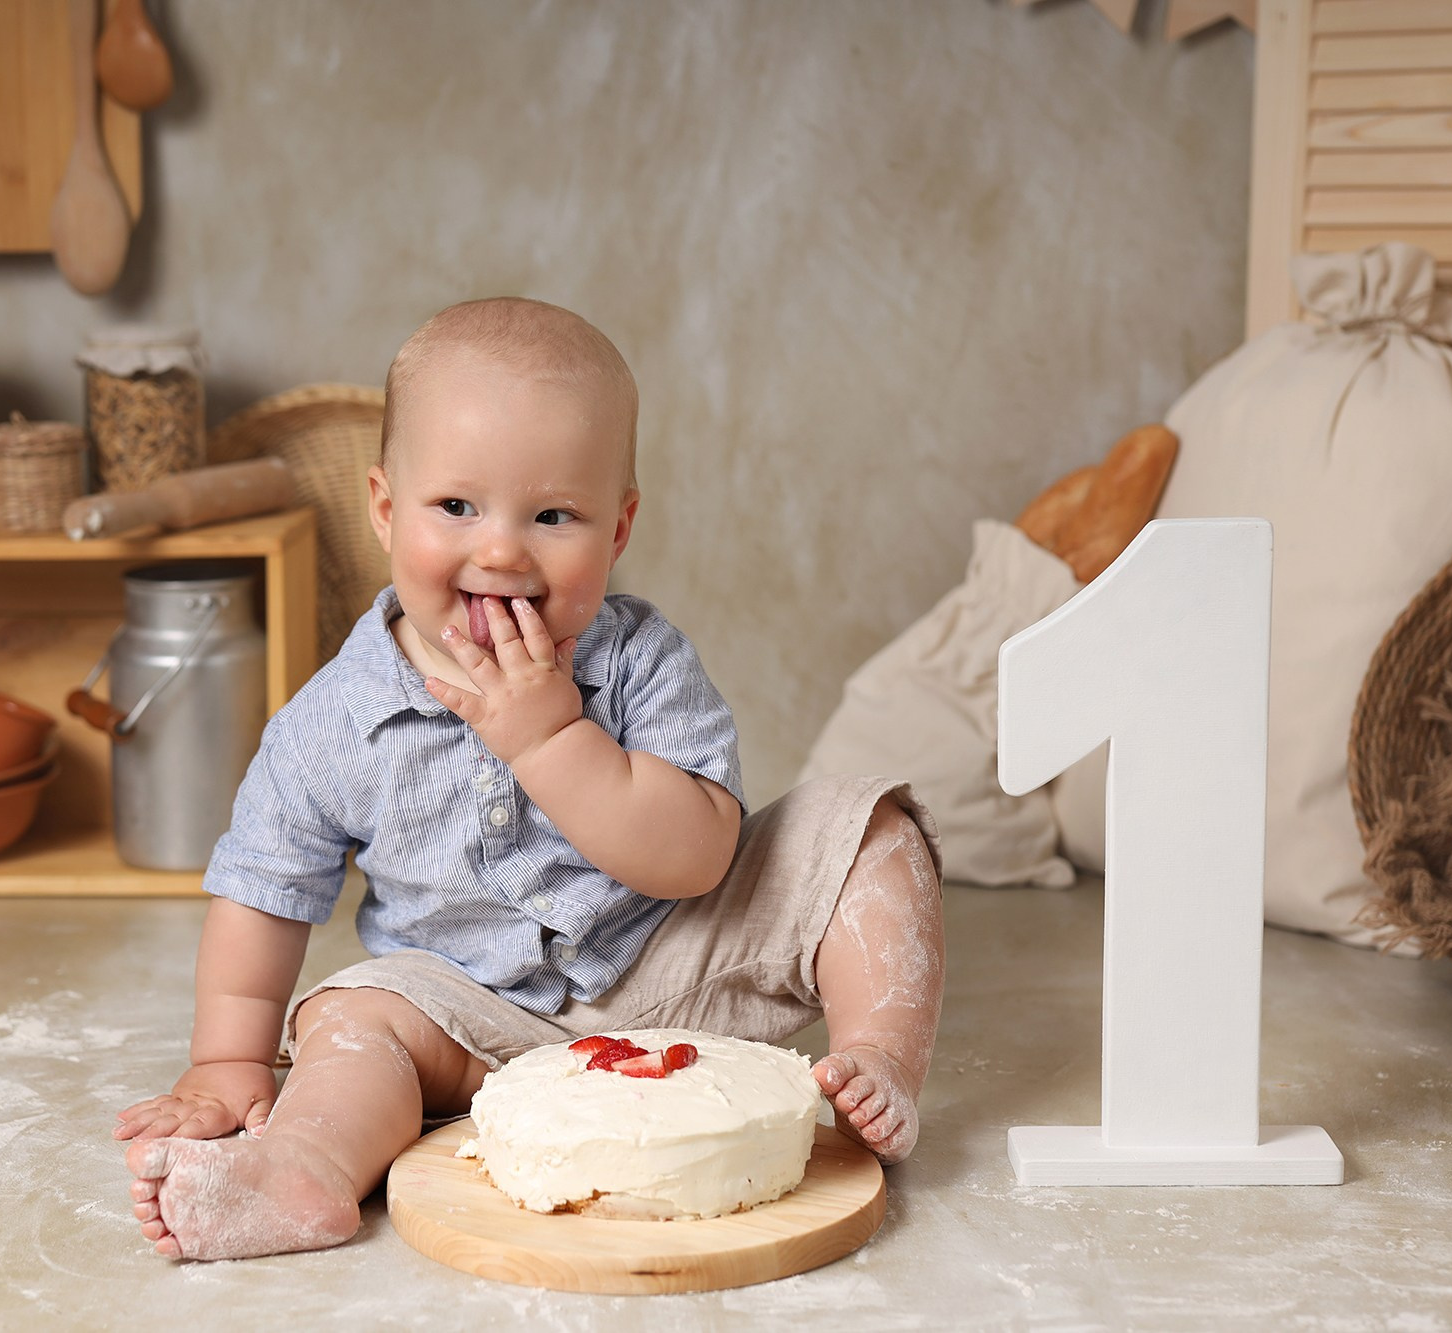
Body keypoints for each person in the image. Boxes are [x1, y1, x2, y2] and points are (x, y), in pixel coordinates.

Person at [115, 297, 944, 1261]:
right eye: (457, 507)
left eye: (553, 515)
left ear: (619, 527)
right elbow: (264, 891)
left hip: (674, 967)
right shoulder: (330, 723)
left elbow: (698, 855)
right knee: (349, 1015)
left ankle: (878, 1056)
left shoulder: (641, 662)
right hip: (462, 1025)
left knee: (871, 827)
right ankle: (308, 1166)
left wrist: (554, 740)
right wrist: (226, 1059)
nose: (502, 549)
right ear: (385, 507)